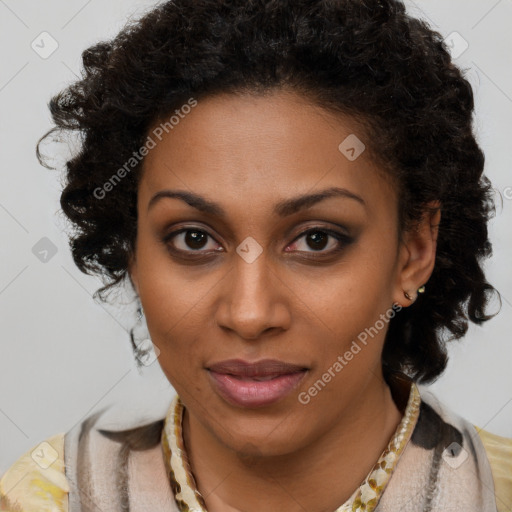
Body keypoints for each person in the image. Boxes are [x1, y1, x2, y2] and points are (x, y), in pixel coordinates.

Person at [1, 0, 511, 510]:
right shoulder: (43, 498)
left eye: (317, 239)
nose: (249, 314)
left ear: (413, 251)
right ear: (132, 254)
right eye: (194, 239)